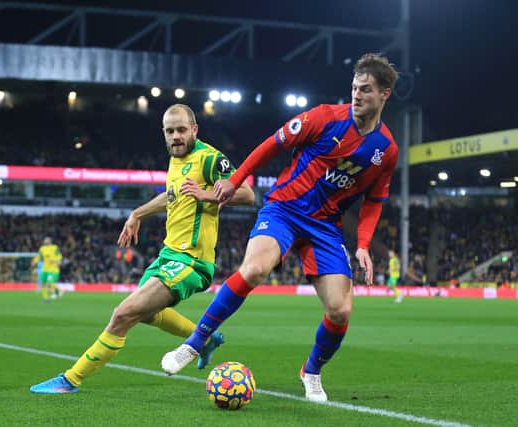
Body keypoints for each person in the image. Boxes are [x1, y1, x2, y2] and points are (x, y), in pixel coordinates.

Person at [161, 53, 399, 403]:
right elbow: (272, 145)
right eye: (354, 88)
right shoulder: (324, 118)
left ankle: (312, 371)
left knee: (341, 309)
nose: (357, 95)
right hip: (284, 208)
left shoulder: (386, 150)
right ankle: (195, 343)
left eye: (365, 89)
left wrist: (363, 244)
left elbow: (375, 200)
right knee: (255, 268)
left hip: (325, 227)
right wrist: (236, 180)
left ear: (385, 94)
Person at [30, 104, 255, 394]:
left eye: (182, 130)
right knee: (146, 313)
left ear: (194, 130)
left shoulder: (210, 159)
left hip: (192, 261)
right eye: (170, 131)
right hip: (168, 254)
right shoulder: (176, 160)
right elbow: (172, 196)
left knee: (124, 313)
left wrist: (206, 195)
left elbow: (248, 195)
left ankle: (70, 380)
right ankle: (206, 340)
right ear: (163, 133)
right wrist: (138, 213)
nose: (176, 136)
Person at [32, 237, 62, 302]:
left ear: (50, 241)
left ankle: (59, 291)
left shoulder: (54, 247)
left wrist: (57, 260)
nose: (46, 241)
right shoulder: (42, 249)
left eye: (47, 240)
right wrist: (34, 261)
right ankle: (45, 298)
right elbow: (38, 257)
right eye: (45, 240)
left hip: (53, 268)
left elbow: (59, 255)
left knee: (50, 282)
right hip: (45, 269)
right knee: (43, 283)